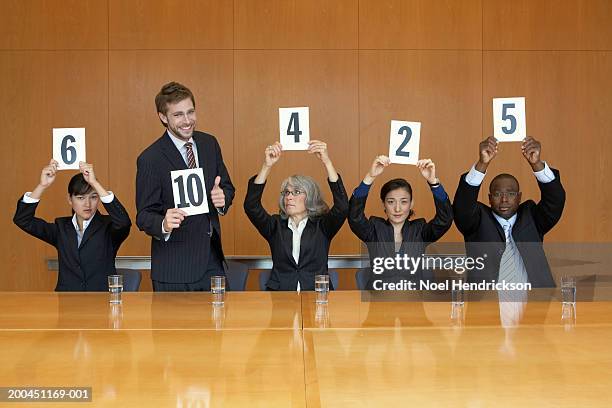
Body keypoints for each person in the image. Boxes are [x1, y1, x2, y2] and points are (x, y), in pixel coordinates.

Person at [136, 82, 235, 291]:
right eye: (178, 115)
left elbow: (226, 186)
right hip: (174, 270)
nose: (187, 121)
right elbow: (144, 215)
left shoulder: (210, 144)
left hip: (212, 263)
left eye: (190, 112)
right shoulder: (150, 159)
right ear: (163, 117)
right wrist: (163, 222)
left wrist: (222, 199)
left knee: (219, 324)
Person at [453, 136, 566, 288]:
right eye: (498, 194)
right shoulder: (477, 221)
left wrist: (537, 164)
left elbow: (555, 201)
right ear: (489, 198)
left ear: (519, 197)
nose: (504, 199)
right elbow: (462, 206)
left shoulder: (532, 217)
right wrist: (482, 163)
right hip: (487, 306)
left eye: (511, 194)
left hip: (534, 304)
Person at [244, 140, 348, 291]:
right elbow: (251, 206)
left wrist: (327, 161)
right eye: (287, 192)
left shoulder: (322, 226)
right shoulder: (275, 226)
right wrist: (267, 166)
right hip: (281, 298)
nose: (289, 197)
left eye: (296, 192)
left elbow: (342, 206)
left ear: (310, 196)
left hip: (317, 297)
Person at [13, 160, 131, 291]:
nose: (87, 204)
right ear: (70, 199)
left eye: (93, 197)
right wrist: (42, 185)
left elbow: (124, 222)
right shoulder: (61, 228)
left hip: (101, 303)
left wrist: (95, 184)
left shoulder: (109, 226)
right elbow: (23, 219)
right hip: (66, 303)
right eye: (81, 198)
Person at [348, 156, 453, 289]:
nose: (397, 209)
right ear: (384, 204)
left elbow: (445, 220)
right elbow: (354, 217)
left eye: (404, 202)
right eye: (391, 202)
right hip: (379, 303)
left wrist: (433, 183)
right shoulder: (374, 229)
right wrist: (370, 177)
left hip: (413, 303)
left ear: (411, 204)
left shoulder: (419, 230)